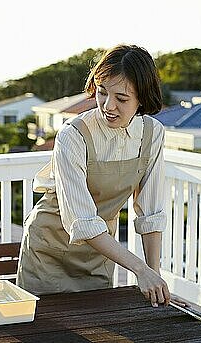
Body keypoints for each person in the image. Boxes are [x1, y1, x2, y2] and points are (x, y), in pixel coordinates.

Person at [17, 44, 170, 305]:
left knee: (101, 339)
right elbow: (83, 221)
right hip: (48, 253)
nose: (108, 106)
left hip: (100, 256)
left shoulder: (152, 134)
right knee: (42, 340)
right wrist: (140, 270)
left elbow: (151, 215)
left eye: (121, 99)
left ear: (142, 98)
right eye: (102, 93)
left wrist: (154, 279)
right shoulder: (73, 135)